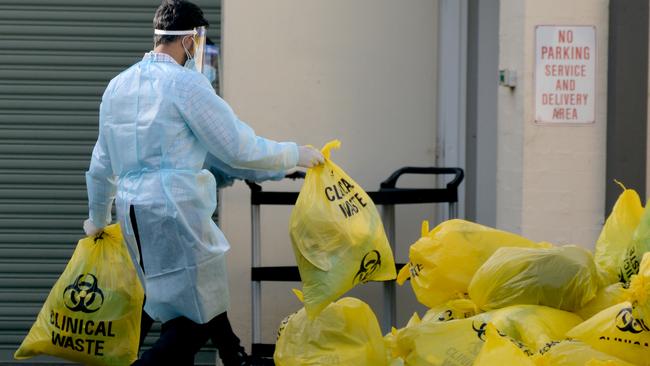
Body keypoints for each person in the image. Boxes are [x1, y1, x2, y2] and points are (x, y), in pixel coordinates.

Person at [82, 1, 324, 365]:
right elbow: (236, 147)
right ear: (192, 39)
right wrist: (295, 154)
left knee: (180, 302)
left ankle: (234, 356)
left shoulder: (118, 86)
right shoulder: (186, 84)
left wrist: (97, 219)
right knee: (191, 322)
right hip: (175, 213)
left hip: (132, 215)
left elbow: (101, 164)